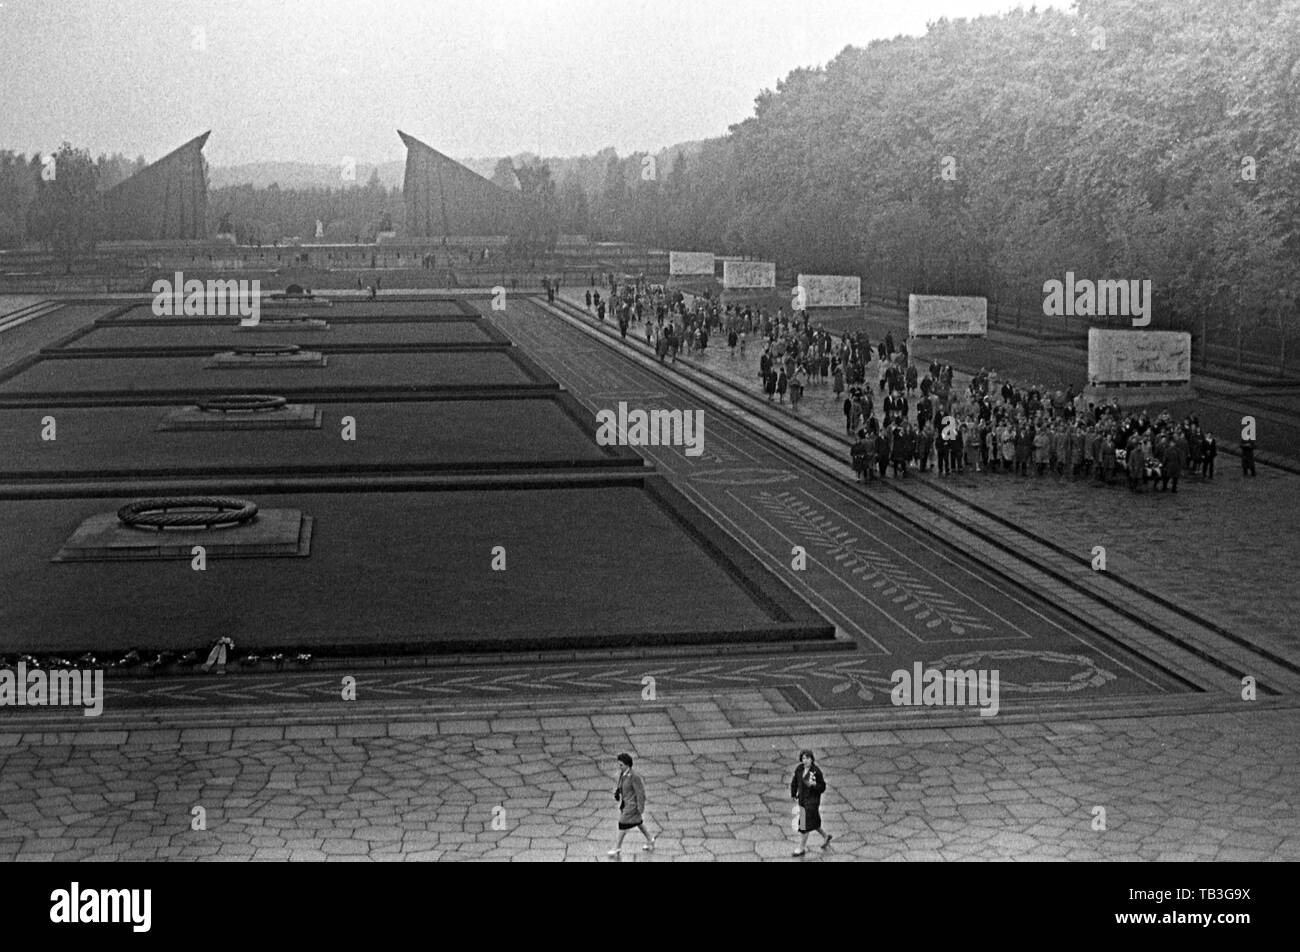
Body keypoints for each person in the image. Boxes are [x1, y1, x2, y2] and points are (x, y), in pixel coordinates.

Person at [608, 753, 655, 856]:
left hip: (632, 806)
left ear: (627, 765)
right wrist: (617, 792)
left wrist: (640, 807)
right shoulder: (623, 774)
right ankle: (650, 839)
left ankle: (617, 848)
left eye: (621, 765)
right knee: (638, 822)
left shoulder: (634, 777)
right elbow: (621, 786)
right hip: (626, 804)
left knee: (622, 824)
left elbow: (640, 793)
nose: (619, 767)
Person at [790, 749, 831, 856]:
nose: (805, 760)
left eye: (808, 758)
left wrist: (814, 785)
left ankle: (801, 848)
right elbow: (794, 782)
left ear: (812, 759)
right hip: (802, 800)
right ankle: (826, 836)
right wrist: (793, 794)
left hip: (812, 802)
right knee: (813, 822)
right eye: (803, 758)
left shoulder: (816, 771)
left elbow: (822, 787)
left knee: (804, 825)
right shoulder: (799, 769)